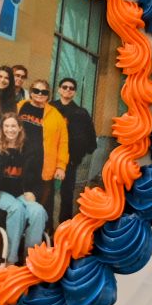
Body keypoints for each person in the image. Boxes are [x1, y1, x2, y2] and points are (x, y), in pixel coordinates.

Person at [0, 113, 46, 266]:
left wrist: (33, 192)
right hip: (0, 192)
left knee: (38, 211)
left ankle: (31, 260)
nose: (10, 129)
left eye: (13, 126)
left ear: (20, 128)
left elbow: (37, 178)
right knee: (17, 209)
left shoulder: (29, 149)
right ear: (1, 128)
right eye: (6, 126)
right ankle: (11, 259)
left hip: (22, 193)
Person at [17, 79, 69, 227]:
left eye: (44, 92)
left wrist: (61, 166)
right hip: (18, 161)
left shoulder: (55, 115)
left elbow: (63, 142)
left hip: (43, 166)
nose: (40, 94)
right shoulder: (20, 107)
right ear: (31, 92)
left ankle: (42, 237)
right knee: (19, 197)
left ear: (49, 95)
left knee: (42, 203)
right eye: (36, 91)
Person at [51, 77, 97, 225]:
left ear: (74, 93)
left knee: (66, 194)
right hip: (49, 158)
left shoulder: (81, 113)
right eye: (64, 87)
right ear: (59, 89)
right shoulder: (50, 108)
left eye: (71, 88)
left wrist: (79, 154)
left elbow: (91, 138)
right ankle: (46, 226)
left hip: (70, 160)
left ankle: (64, 227)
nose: (67, 90)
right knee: (46, 192)